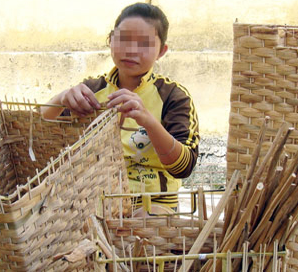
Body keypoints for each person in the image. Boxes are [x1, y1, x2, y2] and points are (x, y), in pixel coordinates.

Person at [42, 2, 199, 210]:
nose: (131, 50)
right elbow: (37, 133)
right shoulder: (91, 90)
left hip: (152, 207)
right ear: (110, 40)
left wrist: (148, 121)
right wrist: (61, 98)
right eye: (123, 39)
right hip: (93, 203)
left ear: (161, 51)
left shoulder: (174, 96)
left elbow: (184, 167)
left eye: (144, 44)